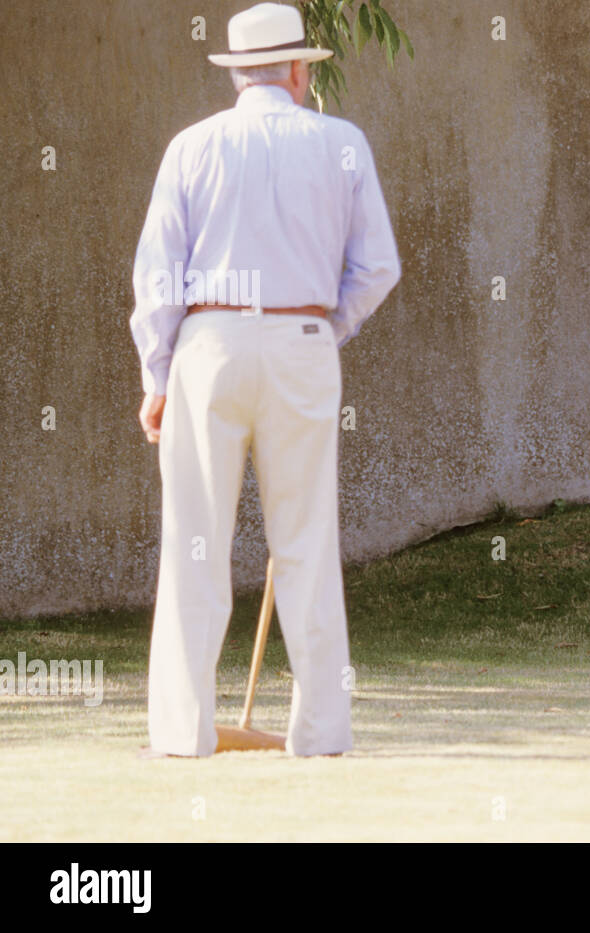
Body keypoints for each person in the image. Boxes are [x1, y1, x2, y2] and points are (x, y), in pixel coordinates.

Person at [130, 2, 401, 756]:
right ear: (295, 70)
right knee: (308, 537)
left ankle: (181, 733)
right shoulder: (341, 141)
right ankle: (320, 731)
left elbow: (158, 275)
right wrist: (321, 327)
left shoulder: (192, 146)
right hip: (301, 337)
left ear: (238, 73)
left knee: (193, 539)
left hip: (207, 340)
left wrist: (157, 372)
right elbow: (378, 267)